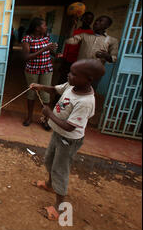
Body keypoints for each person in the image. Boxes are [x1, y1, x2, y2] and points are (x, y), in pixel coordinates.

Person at [30, 59, 105, 221]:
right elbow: (56, 90)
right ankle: (50, 185)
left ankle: (59, 208)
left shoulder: (85, 102)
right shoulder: (72, 85)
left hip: (69, 140)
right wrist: (40, 87)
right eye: (70, 72)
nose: (69, 76)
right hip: (58, 134)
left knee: (60, 170)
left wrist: (49, 114)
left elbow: (71, 127)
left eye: (74, 74)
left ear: (89, 79)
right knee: (49, 161)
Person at [22, 17, 58, 130]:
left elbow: (50, 52)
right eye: (44, 25)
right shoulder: (27, 39)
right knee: (31, 93)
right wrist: (45, 48)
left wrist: (54, 51)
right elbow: (26, 57)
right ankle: (29, 117)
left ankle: (45, 119)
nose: (46, 27)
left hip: (46, 69)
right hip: (32, 69)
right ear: (37, 28)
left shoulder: (46, 37)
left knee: (45, 95)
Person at [64, 15, 119, 90]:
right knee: (71, 89)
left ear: (107, 25)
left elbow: (114, 58)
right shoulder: (84, 35)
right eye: (96, 20)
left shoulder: (112, 40)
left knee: (88, 92)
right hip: (79, 69)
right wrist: (72, 26)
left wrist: (106, 55)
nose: (96, 22)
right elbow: (69, 41)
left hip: (94, 73)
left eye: (100, 21)